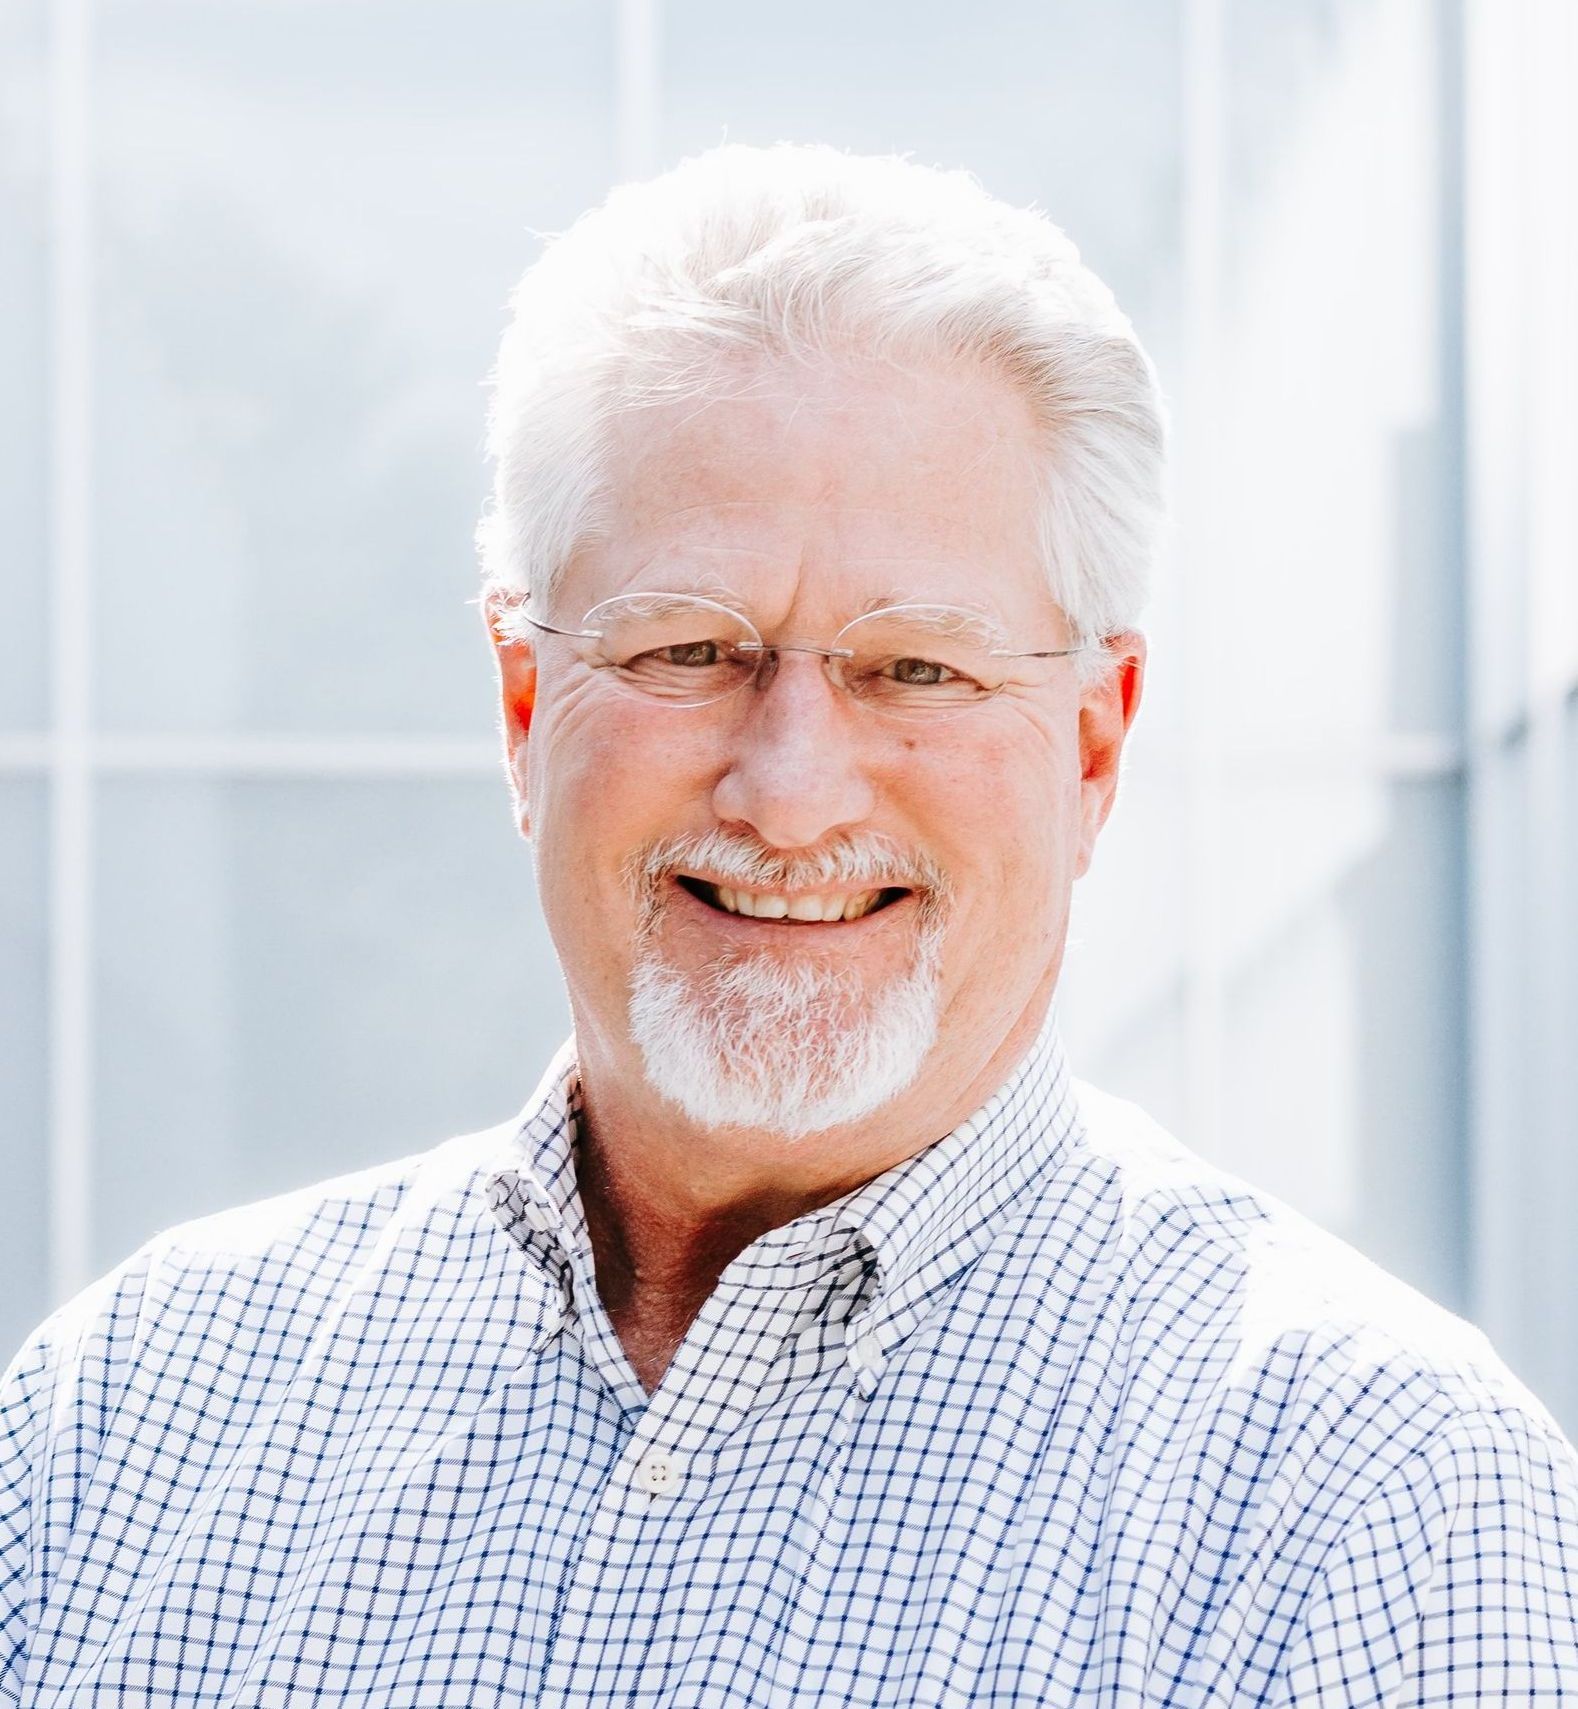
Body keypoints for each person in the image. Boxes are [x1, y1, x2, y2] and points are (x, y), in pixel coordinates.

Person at [2, 144, 1574, 1706]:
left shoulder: (1366, 1503)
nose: (790, 789)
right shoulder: (127, 1414)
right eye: (689, 649)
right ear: (523, 704)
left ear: (1093, 745)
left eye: (919, 668)